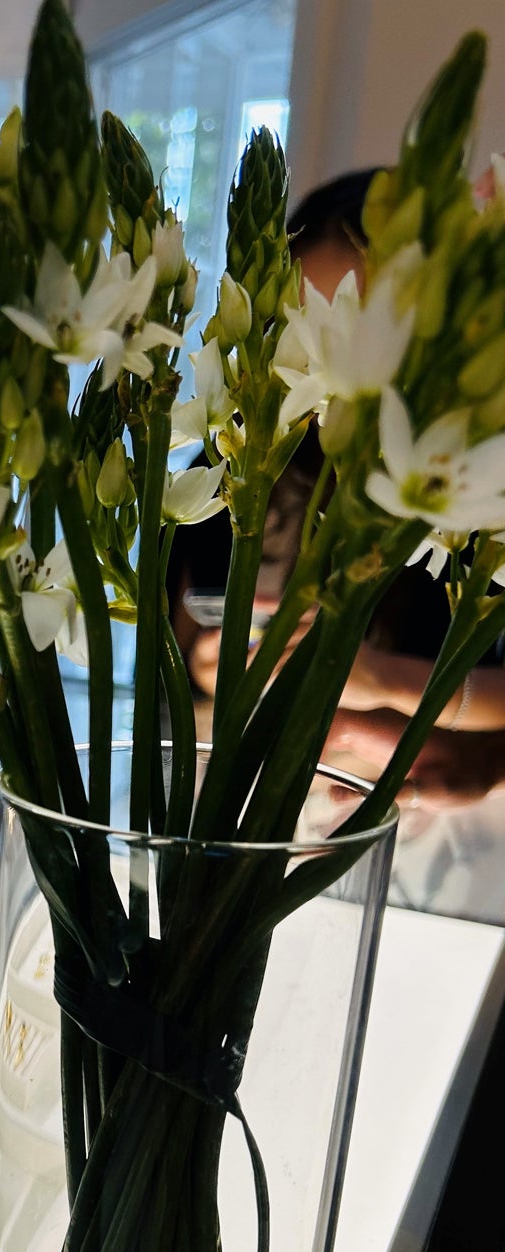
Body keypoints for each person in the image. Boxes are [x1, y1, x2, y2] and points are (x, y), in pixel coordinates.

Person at [169, 169, 505, 807]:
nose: (327, 365)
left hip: (432, 809)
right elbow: (189, 660)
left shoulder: (476, 479)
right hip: (261, 792)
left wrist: (386, 683)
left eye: (365, 330)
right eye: (305, 326)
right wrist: (214, 668)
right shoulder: (236, 463)